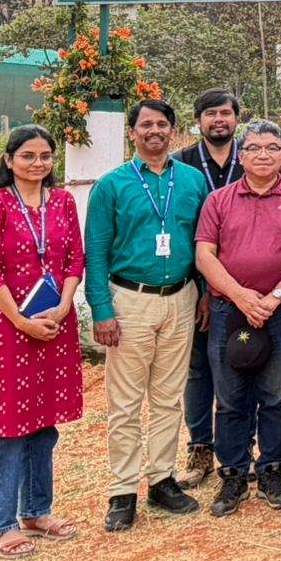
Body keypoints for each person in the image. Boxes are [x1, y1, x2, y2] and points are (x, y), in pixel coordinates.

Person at [85, 99, 209, 532]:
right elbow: (96, 252)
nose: (154, 131)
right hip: (129, 300)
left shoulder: (192, 181)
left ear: (173, 132)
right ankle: (122, 490)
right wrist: (101, 310)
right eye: (145, 125)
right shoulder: (112, 186)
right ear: (132, 133)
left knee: (168, 396)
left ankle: (161, 480)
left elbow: (206, 244)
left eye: (162, 124)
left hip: (181, 297)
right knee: (124, 401)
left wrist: (204, 295)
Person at [0, 125, 85, 559]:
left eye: (45, 156)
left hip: (55, 323)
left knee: (43, 420)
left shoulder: (63, 202)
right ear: (9, 160)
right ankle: (1, 524)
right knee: (4, 424)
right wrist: (21, 320)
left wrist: (63, 307)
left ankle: (36, 510)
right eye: (28, 156)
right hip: (6, 328)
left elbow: (75, 259)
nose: (38, 164)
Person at [193, 120, 281, 517]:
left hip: (279, 310)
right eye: (255, 148)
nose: (263, 154)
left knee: (276, 392)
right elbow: (205, 256)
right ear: (241, 156)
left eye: (272, 147)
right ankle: (232, 473)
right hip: (230, 309)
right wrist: (242, 296)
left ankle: (272, 470)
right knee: (229, 395)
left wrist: (273, 298)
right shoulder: (218, 200)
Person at [171, 88, 242, 490]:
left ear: (236, 119)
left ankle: (239, 445)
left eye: (226, 113)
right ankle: (200, 447)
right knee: (198, 370)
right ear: (197, 120)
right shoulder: (181, 166)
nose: (219, 120)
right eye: (211, 113)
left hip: (248, 287)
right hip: (197, 285)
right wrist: (200, 289)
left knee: (244, 362)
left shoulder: (253, 161)